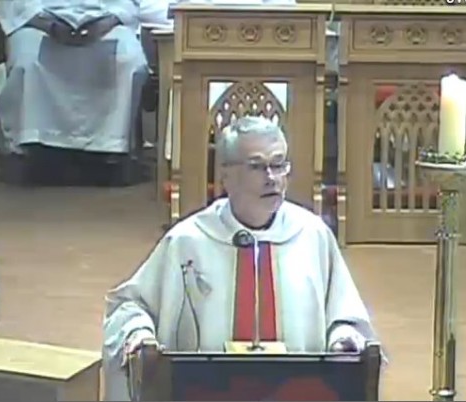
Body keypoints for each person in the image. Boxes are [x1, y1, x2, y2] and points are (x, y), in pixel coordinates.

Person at [102, 116, 378, 400]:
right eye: (257, 166)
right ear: (225, 176)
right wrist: (139, 335)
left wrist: (344, 340)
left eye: (279, 164)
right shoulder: (189, 240)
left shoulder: (312, 236)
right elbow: (130, 306)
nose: (271, 177)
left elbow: (346, 318)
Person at [0, 0, 170, 155]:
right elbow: (15, 5)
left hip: (105, 22)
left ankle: (112, 146)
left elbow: (128, 4)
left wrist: (106, 22)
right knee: (28, 61)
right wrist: (46, 23)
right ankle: (33, 143)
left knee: (129, 60)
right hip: (38, 22)